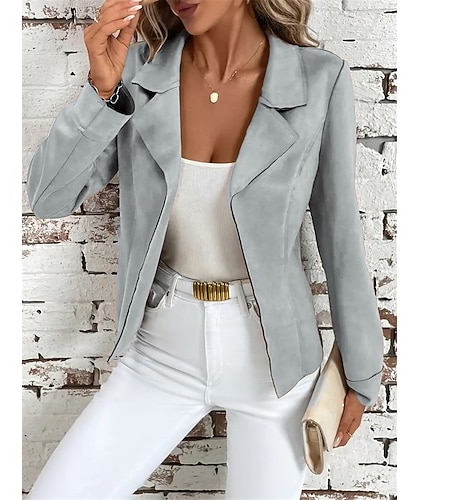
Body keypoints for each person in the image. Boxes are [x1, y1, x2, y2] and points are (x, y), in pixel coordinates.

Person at [26, 0, 384, 498]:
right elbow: (48, 198)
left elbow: (339, 233)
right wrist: (101, 92)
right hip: (159, 352)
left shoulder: (320, 79)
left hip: (274, 364)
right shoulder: (138, 71)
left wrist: (362, 373)